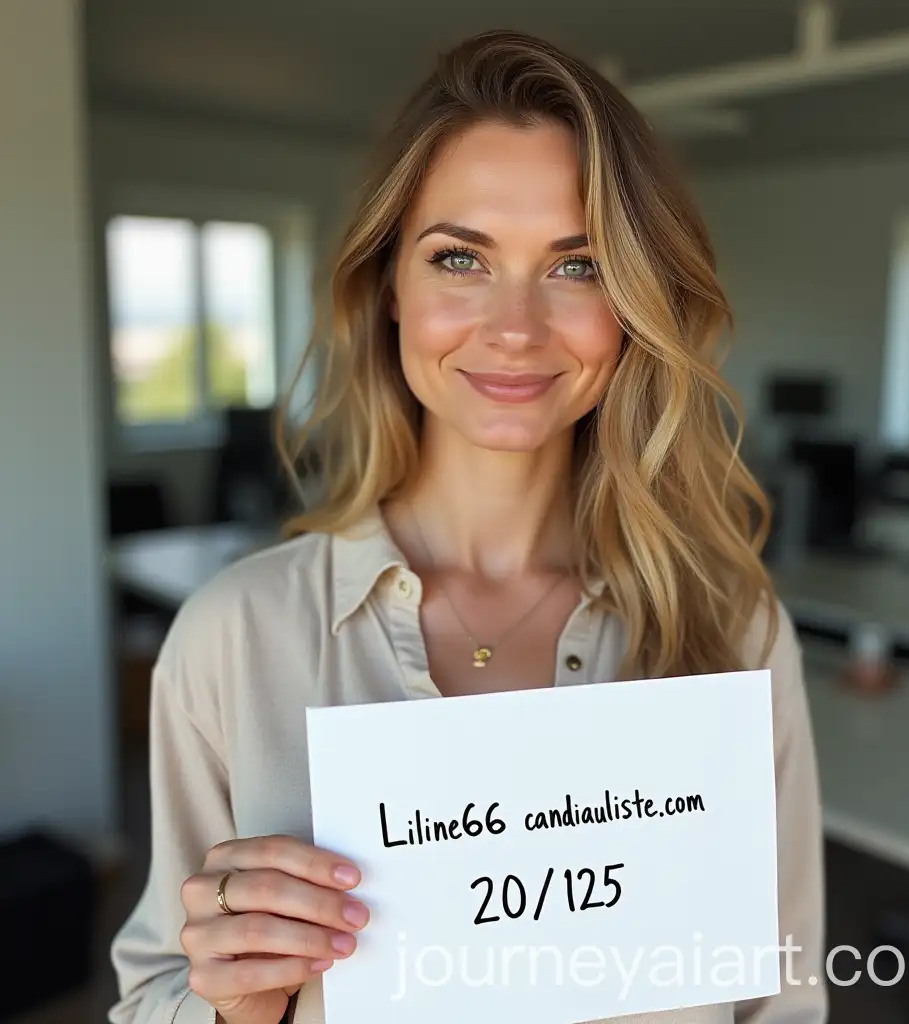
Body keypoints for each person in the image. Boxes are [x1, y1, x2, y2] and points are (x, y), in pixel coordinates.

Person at [110, 29, 826, 1024]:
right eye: (460, 258)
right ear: (387, 289)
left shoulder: (736, 628)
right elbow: (148, 998)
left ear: (636, 306)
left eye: (576, 267)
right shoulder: (235, 636)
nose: (515, 326)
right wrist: (238, 1007)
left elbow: (781, 1003)